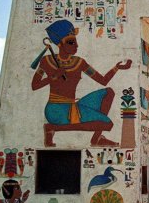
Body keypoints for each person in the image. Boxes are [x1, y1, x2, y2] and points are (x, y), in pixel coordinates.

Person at [30, 19, 132, 147]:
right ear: (60, 44)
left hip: (73, 105)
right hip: (56, 109)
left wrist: (117, 68)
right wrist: (53, 76)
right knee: (107, 124)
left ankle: (96, 139)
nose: (76, 45)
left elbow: (103, 80)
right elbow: (34, 86)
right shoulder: (47, 61)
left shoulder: (79, 63)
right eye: (71, 42)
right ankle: (52, 128)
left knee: (109, 93)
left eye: (75, 42)